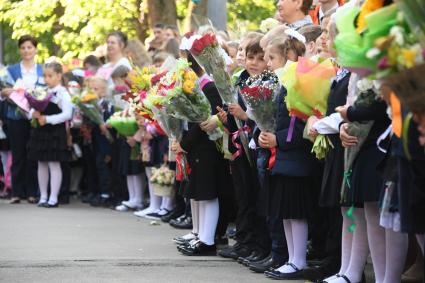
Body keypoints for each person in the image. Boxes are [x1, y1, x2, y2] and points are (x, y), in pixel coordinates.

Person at [172, 53, 231, 256]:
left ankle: (207, 239)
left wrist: (185, 144)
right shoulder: (195, 86)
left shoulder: (208, 87)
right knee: (198, 193)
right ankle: (200, 235)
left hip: (207, 148)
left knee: (208, 193)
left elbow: (204, 120)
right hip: (197, 148)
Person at [1, 35, 42, 204]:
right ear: (20, 50)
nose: (26, 51)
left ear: (35, 49)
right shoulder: (11, 70)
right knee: (18, 154)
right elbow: (3, 91)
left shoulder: (41, 70)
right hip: (16, 117)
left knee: (33, 154)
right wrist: (8, 92)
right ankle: (16, 192)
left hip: (35, 117)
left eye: (30, 47)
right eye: (23, 47)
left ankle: (32, 192)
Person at [28, 62, 73, 208]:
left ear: (59, 76)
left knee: (54, 163)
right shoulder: (41, 91)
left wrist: (48, 119)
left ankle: (53, 197)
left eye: (50, 76)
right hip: (41, 132)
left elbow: (67, 114)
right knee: (41, 163)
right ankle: (43, 196)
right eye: (45, 76)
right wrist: (33, 114)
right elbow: (31, 109)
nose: (47, 79)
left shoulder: (63, 93)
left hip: (54, 131)